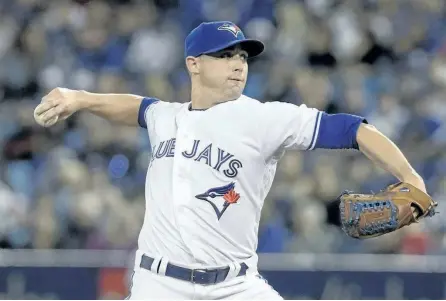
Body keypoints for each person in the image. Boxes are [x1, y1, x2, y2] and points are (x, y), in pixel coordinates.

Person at [34, 21, 429, 300]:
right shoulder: (165, 117)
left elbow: (352, 130)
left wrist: (410, 176)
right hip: (160, 286)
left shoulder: (262, 117)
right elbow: (135, 107)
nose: (238, 63)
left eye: (242, 55)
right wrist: (80, 99)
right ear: (194, 63)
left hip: (236, 287)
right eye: (225, 55)